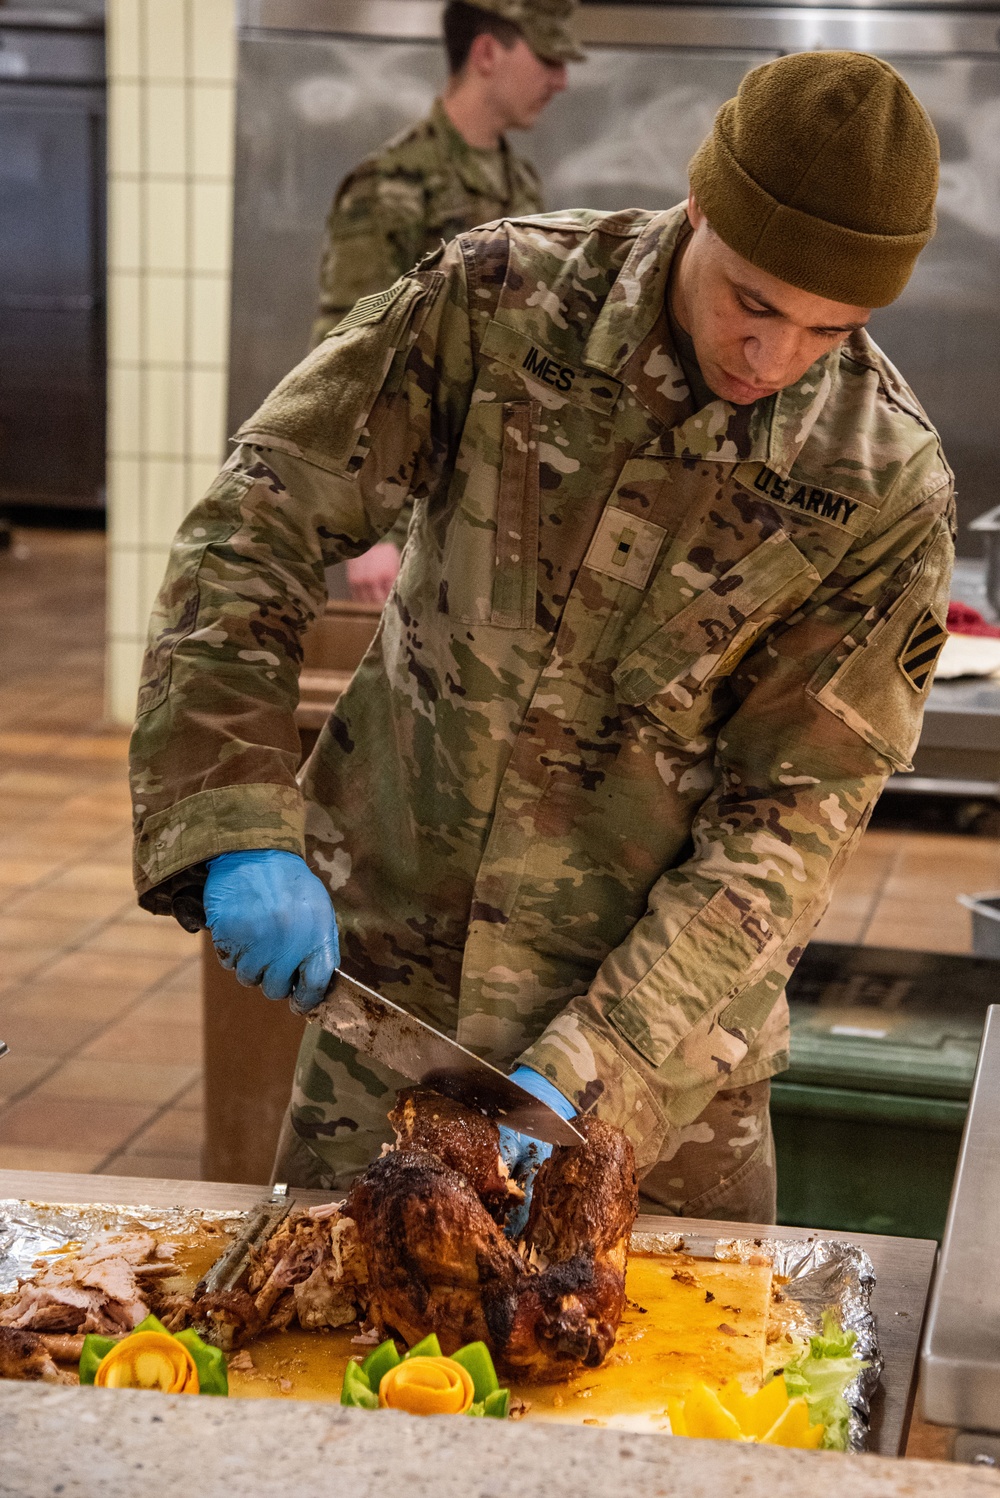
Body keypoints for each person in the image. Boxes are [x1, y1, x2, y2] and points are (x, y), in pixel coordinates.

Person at [132, 52, 952, 1225]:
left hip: (660, 1080)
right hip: (395, 1020)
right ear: (700, 206)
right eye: (754, 301)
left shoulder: (877, 481)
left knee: (674, 1390)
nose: (772, 357)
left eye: (833, 329)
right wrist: (233, 817)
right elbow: (252, 523)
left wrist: (597, 1069)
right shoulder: (499, 300)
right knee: (325, 1375)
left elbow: (785, 826)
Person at [312, 0, 580, 606]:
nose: (561, 79)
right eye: (548, 57)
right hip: (408, 509)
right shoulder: (393, 185)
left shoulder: (522, 183)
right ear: (487, 53)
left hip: (495, 500)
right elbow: (346, 363)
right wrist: (366, 530)